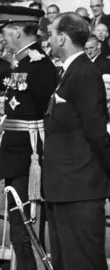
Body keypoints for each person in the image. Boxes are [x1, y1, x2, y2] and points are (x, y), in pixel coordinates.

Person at [0, 5, 58, 270]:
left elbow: (45, 116)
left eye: (5, 32)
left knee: (27, 229)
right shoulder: (19, 63)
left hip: (29, 157)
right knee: (19, 229)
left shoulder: (39, 65)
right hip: (14, 154)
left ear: (18, 31)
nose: (1, 39)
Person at [45, 12, 110, 270]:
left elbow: (97, 133)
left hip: (80, 190)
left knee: (83, 263)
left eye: (50, 34)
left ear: (62, 37)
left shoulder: (84, 73)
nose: (48, 40)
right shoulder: (68, 72)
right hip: (63, 189)